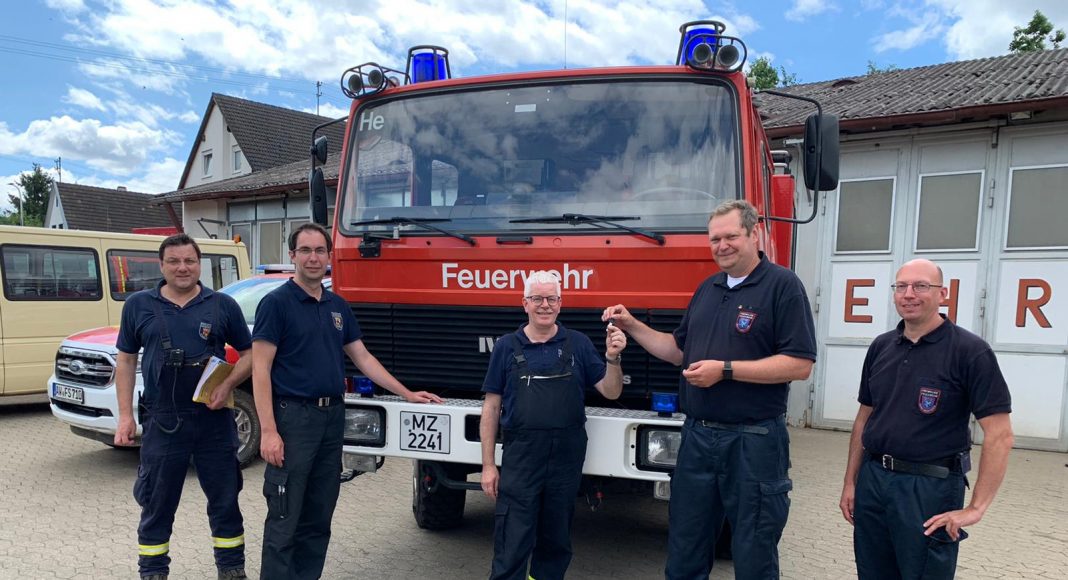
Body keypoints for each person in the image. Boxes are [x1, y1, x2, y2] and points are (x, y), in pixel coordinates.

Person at [602, 199, 816, 579]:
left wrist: (726, 371)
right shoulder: (708, 289)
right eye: (714, 239)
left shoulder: (783, 286)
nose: (722, 246)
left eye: (731, 236)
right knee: (685, 549)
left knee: (753, 553)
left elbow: (799, 364)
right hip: (698, 438)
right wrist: (631, 324)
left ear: (754, 234)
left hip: (753, 441)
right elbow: (677, 351)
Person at [252, 223, 443, 580]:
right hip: (294, 419)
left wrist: (406, 393)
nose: (313, 258)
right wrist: (269, 431)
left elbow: (363, 357)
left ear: (329, 256)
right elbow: (260, 370)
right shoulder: (276, 304)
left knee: (319, 514)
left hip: (332, 419)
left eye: (319, 251)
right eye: (305, 250)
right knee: (285, 513)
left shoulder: (337, 306)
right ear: (292, 255)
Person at [839, 258, 1014, 579]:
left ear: (942, 294)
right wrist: (851, 482)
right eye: (901, 286)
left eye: (921, 286)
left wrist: (976, 508)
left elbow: (1000, 435)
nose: (909, 294)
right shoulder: (881, 347)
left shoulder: (970, 352)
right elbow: (864, 418)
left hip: (929, 488)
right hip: (874, 481)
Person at [115, 233, 254, 580]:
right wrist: (125, 417)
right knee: (156, 503)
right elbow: (126, 360)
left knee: (225, 501)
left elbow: (251, 354)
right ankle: (153, 572)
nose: (182, 267)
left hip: (213, 419)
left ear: (199, 264)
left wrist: (227, 385)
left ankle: (232, 570)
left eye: (189, 261)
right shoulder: (138, 305)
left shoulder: (222, 305)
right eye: (174, 261)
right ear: (162, 265)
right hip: (163, 420)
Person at [481, 270, 626, 580]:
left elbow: (611, 391)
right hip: (521, 455)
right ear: (525, 303)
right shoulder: (506, 346)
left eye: (551, 299)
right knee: (513, 535)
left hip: (565, 456)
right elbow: (491, 407)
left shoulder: (579, 344)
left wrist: (613, 358)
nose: (544, 305)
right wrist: (489, 465)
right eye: (537, 298)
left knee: (556, 536)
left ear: (560, 303)